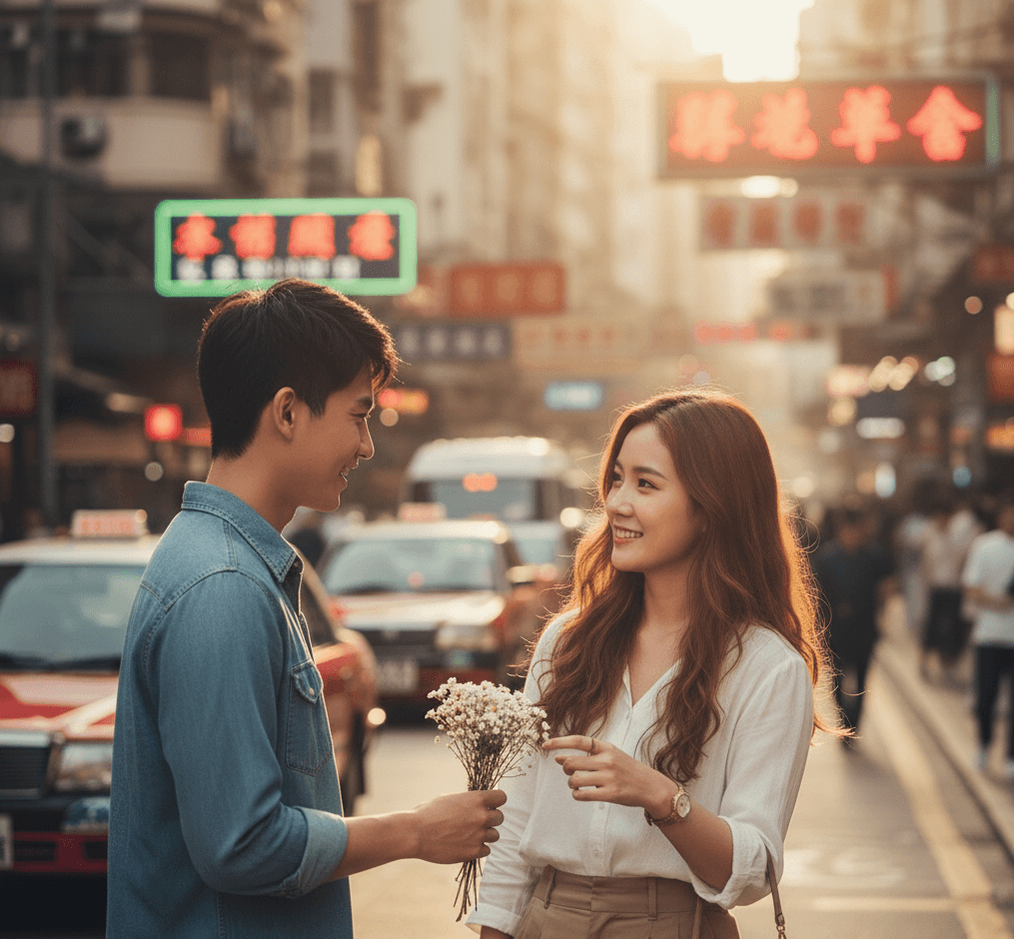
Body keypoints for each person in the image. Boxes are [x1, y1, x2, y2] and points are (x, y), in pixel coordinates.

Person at [107, 278, 506, 938]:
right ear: (288, 412)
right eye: (358, 415)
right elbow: (241, 843)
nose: (368, 445)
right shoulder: (223, 585)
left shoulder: (233, 565)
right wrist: (414, 831)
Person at [468, 389, 836, 939]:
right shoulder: (568, 640)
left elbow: (754, 867)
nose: (617, 502)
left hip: (678, 923)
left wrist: (661, 796)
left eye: (646, 484)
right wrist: (496, 929)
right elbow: (518, 815)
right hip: (547, 919)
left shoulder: (767, 667)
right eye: (616, 479)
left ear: (713, 507)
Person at [810, 503, 895, 736]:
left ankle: (854, 721)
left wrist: (882, 605)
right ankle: (843, 716)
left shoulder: (874, 556)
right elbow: (816, 591)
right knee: (836, 677)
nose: (852, 535)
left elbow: (887, 585)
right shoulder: (827, 557)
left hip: (865, 628)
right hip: (835, 629)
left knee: (861, 679)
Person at [961, 494, 1014, 776]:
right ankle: (983, 744)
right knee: (986, 698)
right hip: (989, 635)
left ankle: (1011, 756)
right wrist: (999, 602)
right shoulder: (985, 545)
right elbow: (971, 588)